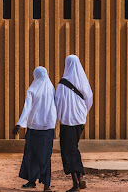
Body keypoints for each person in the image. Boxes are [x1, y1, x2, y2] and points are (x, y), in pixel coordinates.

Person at [13, 66, 57, 191]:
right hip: (48, 129)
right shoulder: (51, 89)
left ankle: (31, 181)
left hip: (34, 128)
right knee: (45, 157)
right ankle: (46, 185)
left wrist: (19, 124)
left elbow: (27, 108)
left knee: (31, 155)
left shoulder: (32, 89)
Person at [54, 55, 93, 192]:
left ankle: (76, 183)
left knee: (68, 151)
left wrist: (60, 117)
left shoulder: (62, 84)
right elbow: (89, 99)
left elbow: (57, 103)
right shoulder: (83, 81)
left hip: (67, 122)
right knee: (74, 148)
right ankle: (81, 175)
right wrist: (82, 114)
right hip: (79, 122)